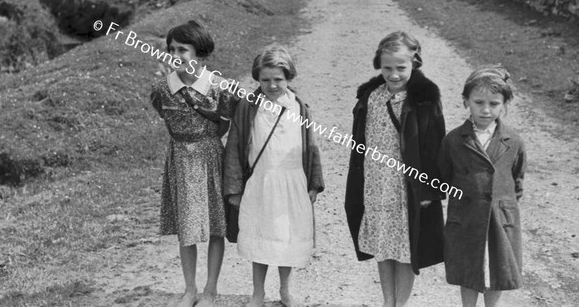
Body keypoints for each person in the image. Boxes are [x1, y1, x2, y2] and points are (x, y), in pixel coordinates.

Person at [345, 31, 445, 307]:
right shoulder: (371, 98)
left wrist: (430, 187)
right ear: (379, 64)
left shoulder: (424, 99)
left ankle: (400, 304)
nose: (394, 74)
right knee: (383, 244)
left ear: (415, 62)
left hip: (407, 186)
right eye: (387, 67)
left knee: (405, 248)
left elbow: (435, 144)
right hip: (377, 183)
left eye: (401, 68)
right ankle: (387, 301)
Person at [224, 44, 324, 307]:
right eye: (265, 79)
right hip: (261, 182)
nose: (271, 85)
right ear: (257, 78)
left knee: (285, 239)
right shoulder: (248, 106)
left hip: (292, 182)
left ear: (288, 77)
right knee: (261, 238)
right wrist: (234, 187)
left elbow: (311, 146)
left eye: (278, 79)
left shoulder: (299, 106)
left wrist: (314, 183)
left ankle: (285, 290)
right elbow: (235, 146)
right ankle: (258, 292)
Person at [150, 20, 238, 307]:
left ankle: (211, 289)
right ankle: (190, 289)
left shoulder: (219, 89)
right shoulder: (162, 89)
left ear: (200, 54)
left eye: (183, 49)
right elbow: (166, 117)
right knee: (187, 227)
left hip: (212, 158)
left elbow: (224, 126)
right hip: (180, 159)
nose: (176, 55)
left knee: (216, 225)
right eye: (171, 49)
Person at [438, 66, 526, 307]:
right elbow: (444, 176)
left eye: (494, 103)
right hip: (466, 217)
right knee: (469, 267)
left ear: (504, 105)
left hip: (500, 216)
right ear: (466, 102)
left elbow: (517, 178)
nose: (486, 110)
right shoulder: (454, 140)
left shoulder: (514, 141)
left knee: (497, 267)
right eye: (478, 102)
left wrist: (505, 202)